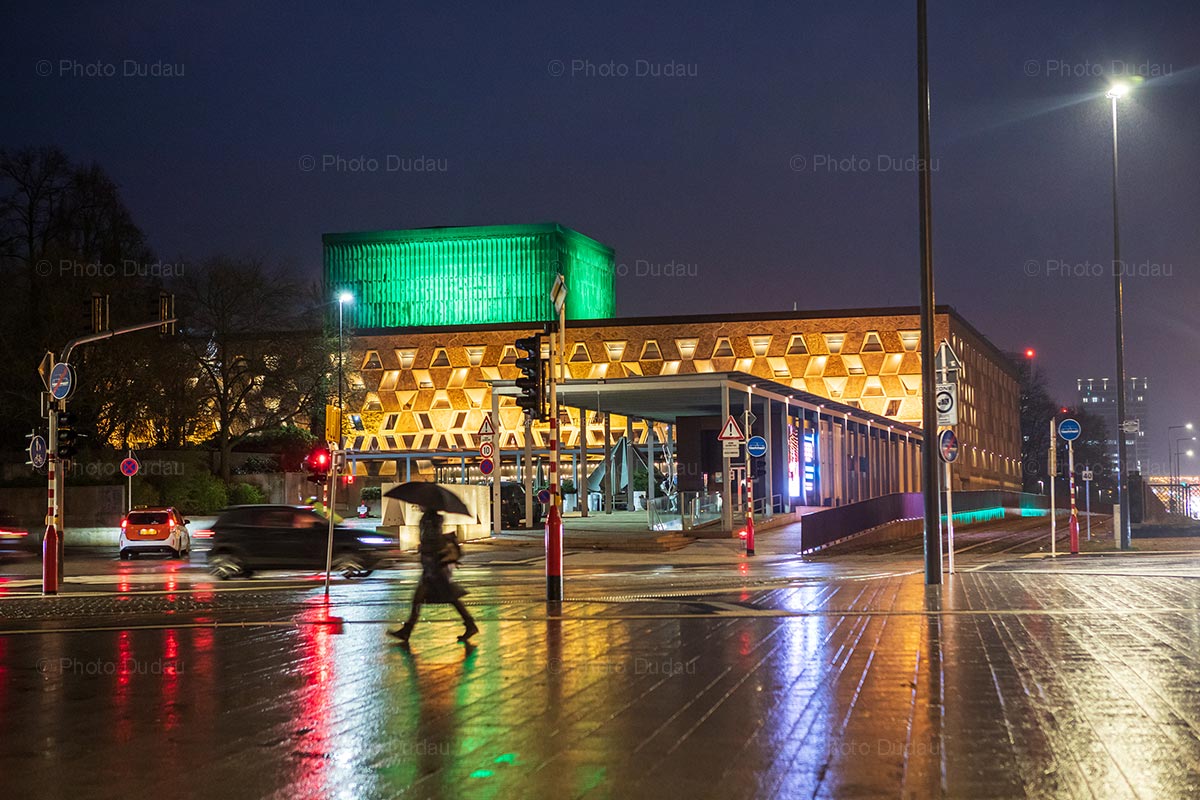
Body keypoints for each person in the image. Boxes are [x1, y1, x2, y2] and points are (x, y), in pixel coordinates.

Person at [388, 508, 478, 644]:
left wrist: (424, 547)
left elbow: (434, 540)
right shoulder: (429, 518)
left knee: (438, 597)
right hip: (431, 566)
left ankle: (407, 631)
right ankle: (470, 624)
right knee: (444, 597)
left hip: (435, 567)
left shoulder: (432, 519)